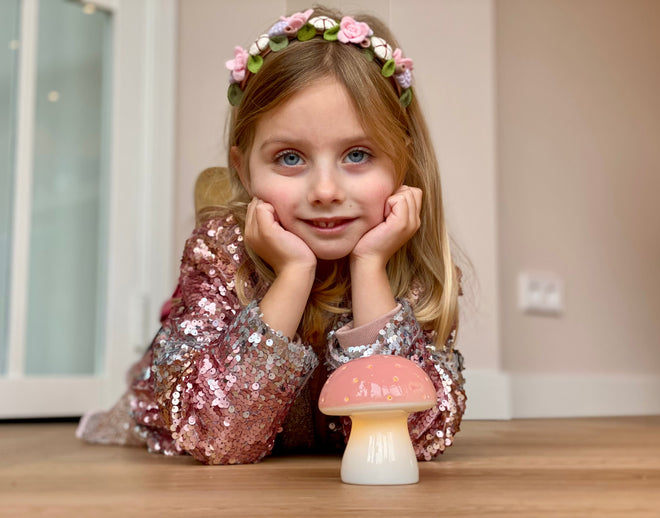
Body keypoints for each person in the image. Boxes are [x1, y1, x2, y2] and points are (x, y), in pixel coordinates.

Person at [77, 6, 467, 465]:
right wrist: (294, 274)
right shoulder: (221, 250)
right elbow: (217, 438)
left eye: (357, 154)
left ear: (403, 159)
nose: (325, 191)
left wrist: (369, 269)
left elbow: (417, 441)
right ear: (244, 169)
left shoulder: (405, 259)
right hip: (174, 420)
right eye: (289, 158)